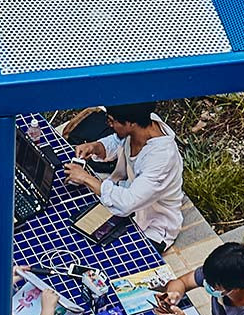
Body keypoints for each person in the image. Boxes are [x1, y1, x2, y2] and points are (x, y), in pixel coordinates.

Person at [65, 101, 184, 252]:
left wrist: (86, 178)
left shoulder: (161, 159)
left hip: (153, 228)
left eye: (111, 120)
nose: (108, 124)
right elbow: (117, 141)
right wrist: (95, 147)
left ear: (130, 123)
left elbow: (128, 203)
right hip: (127, 203)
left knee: (100, 257)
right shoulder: (143, 123)